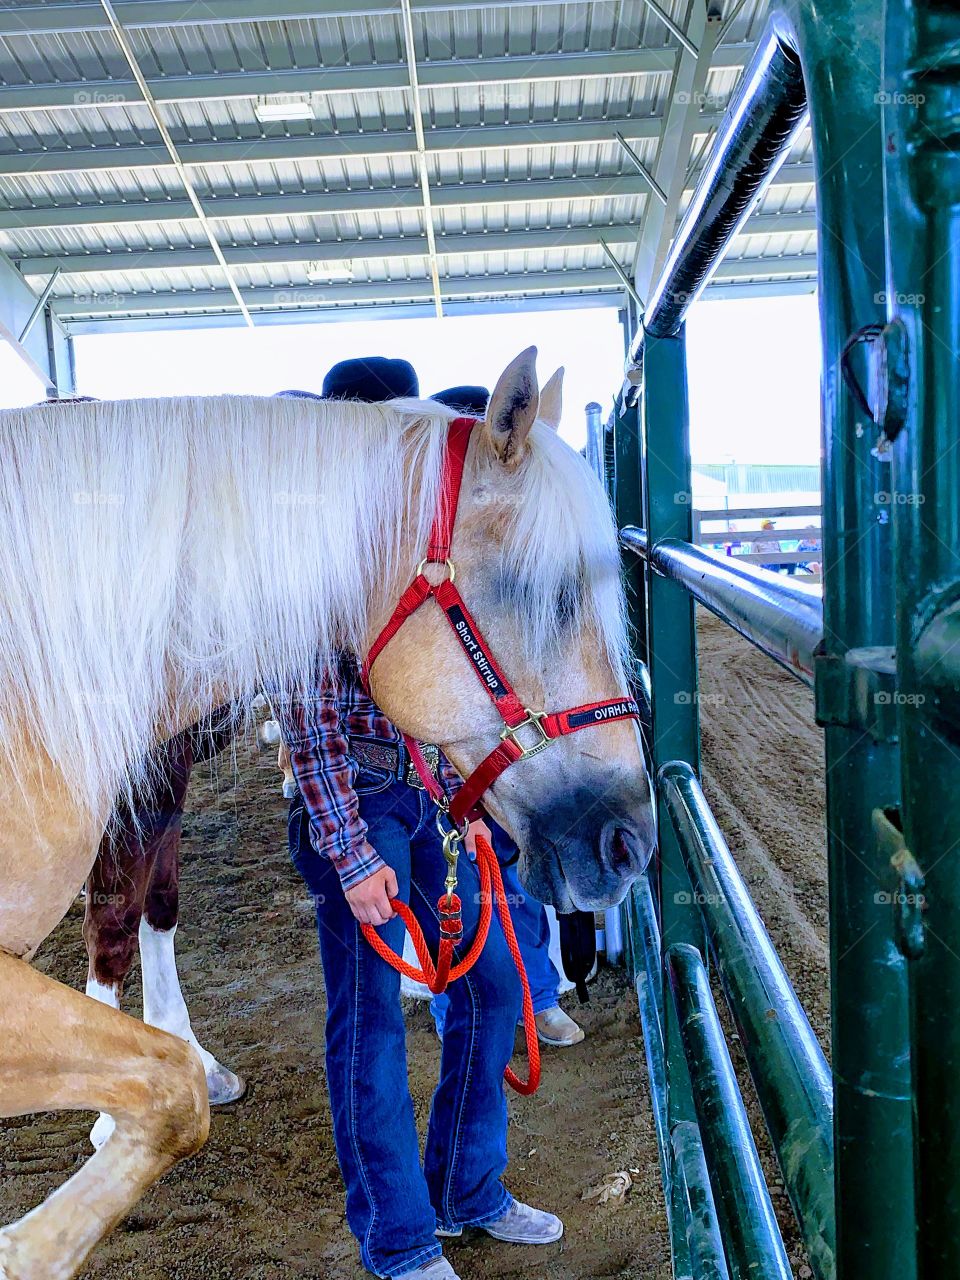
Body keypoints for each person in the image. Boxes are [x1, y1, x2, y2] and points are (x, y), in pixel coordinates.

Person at [282, 359, 563, 1280]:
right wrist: (354, 855)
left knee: (490, 985)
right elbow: (311, 722)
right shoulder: (317, 549)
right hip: (352, 807)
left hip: (424, 796)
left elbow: (444, 690)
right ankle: (399, 1240)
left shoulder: (420, 534)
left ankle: (465, 1187)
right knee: (369, 1022)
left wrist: (468, 800)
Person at [430, 820, 584, 1047]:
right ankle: (456, 1012)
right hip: (446, 795)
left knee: (519, 877)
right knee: (454, 893)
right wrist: (468, 813)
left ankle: (535, 999)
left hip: (504, 789)